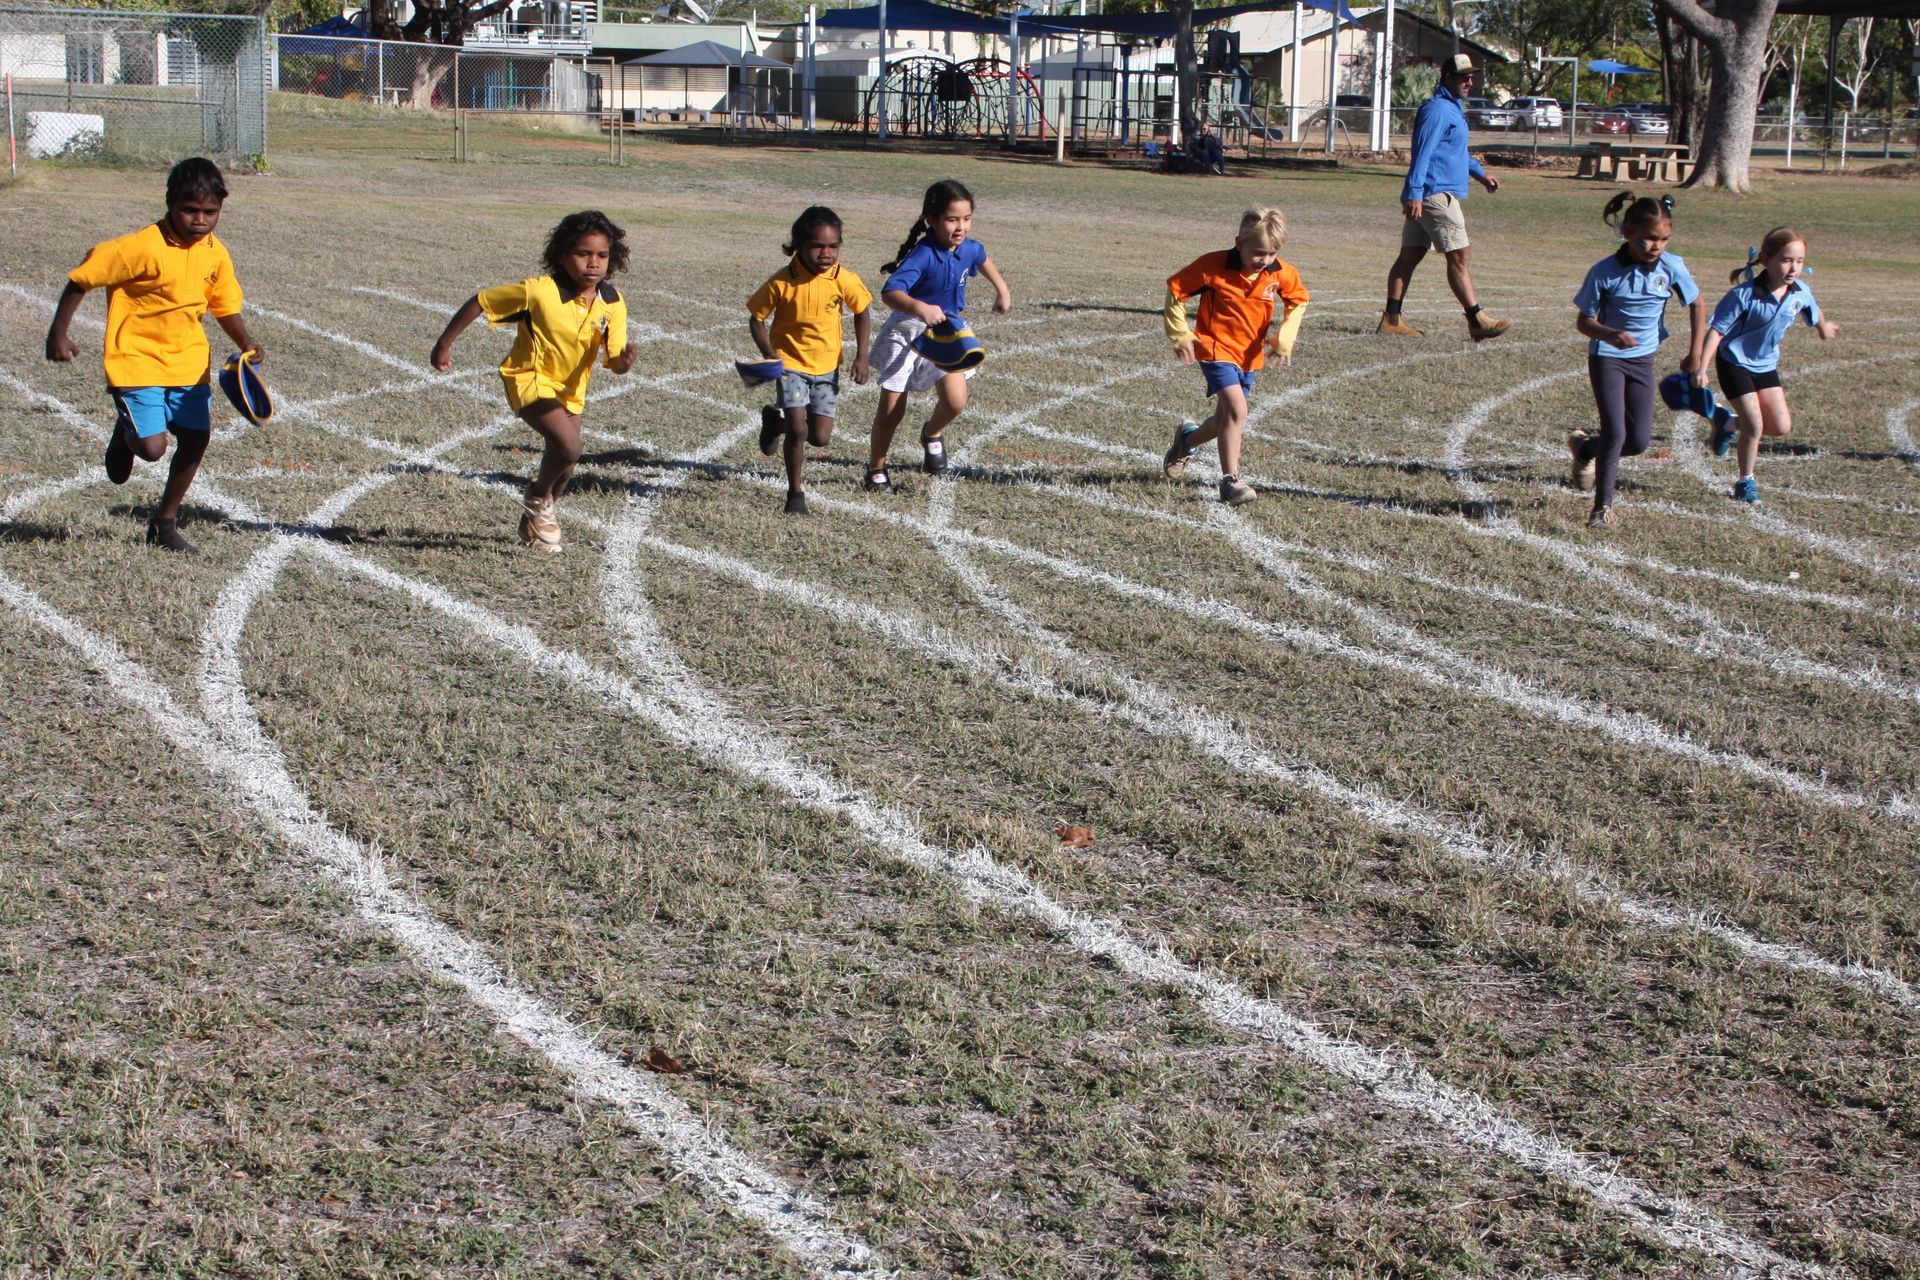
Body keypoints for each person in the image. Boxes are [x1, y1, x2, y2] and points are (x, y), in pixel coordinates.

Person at [44, 156, 263, 555]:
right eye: (189, 210)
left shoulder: (215, 254)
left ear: (221, 209)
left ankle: (164, 523)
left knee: (197, 438)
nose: (199, 220)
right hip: (136, 359)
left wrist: (245, 343)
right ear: (169, 203)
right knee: (153, 449)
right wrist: (58, 333)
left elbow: (224, 304)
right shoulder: (140, 247)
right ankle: (126, 436)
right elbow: (81, 278)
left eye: (209, 212)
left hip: (188, 360)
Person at [431, 210, 637, 551]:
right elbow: (481, 301)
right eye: (583, 254)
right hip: (528, 377)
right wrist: (443, 344)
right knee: (570, 447)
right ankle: (538, 496)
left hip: (570, 390)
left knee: (567, 465)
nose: (593, 263)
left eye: (602, 255)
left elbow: (613, 361)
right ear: (561, 256)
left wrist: (624, 362)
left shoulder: (612, 303)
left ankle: (534, 520)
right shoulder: (539, 292)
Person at [1567, 191, 1706, 530]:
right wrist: (1609, 334)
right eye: (1648, 239)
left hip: (1643, 360)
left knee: (1639, 441)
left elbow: (1697, 305)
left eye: (1663, 239)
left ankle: (1587, 449)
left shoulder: (1672, 266)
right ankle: (1603, 509)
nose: (1656, 246)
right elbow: (1583, 322)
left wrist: (1696, 353)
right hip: (1608, 358)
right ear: (1628, 231)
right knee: (1616, 430)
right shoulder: (1604, 272)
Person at [862, 179, 1012, 493]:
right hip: (908, 332)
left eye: (967, 218)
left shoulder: (968, 247)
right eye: (952, 219)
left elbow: (981, 257)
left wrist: (1002, 289)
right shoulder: (924, 253)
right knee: (892, 409)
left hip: (947, 332)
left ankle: (931, 434)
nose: (961, 226)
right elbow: (891, 292)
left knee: (956, 401)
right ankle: (876, 468)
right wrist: (920, 307)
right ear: (931, 220)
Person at [1161, 206, 1310, 506]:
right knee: (1237, 411)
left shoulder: (1279, 272)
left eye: (1271, 254)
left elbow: (1299, 300)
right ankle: (1231, 481)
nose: (1265, 261)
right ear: (1239, 242)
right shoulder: (1212, 266)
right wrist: (1180, 334)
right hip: (1215, 349)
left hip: (1249, 356)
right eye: (1258, 253)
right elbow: (1176, 291)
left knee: (1225, 420)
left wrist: (1285, 337)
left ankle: (1186, 441)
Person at [1695, 227, 1838, 505]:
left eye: (1799, 261)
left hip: (1765, 365)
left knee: (1781, 427)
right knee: (1756, 425)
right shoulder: (1744, 294)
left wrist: (1823, 326)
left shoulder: (1799, 291)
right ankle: (1745, 482)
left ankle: (1726, 424)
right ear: (1766, 259)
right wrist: (1701, 368)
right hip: (1734, 362)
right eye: (1786, 260)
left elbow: (1812, 306)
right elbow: (1715, 332)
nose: (1793, 267)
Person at [747, 206, 873, 517]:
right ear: (800, 244)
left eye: (833, 246)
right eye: (818, 246)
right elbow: (756, 319)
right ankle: (795, 494)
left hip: (827, 367)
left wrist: (862, 355)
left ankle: (774, 423)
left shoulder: (843, 278)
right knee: (799, 430)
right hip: (790, 364)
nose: (826, 253)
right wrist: (769, 353)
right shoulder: (782, 281)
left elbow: (862, 312)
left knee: (820, 436)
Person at [1380, 53, 1509, 343]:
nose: (1469, 81)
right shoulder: (1438, 109)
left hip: (1429, 192)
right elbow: (1422, 151)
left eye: (1472, 76)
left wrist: (1479, 173)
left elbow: (1454, 151)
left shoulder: (1452, 108)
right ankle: (1477, 319)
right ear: (1447, 78)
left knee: (1410, 256)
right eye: (1464, 77)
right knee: (1459, 256)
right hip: (1434, 194)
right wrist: (1414, 192)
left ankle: (1391, 320)